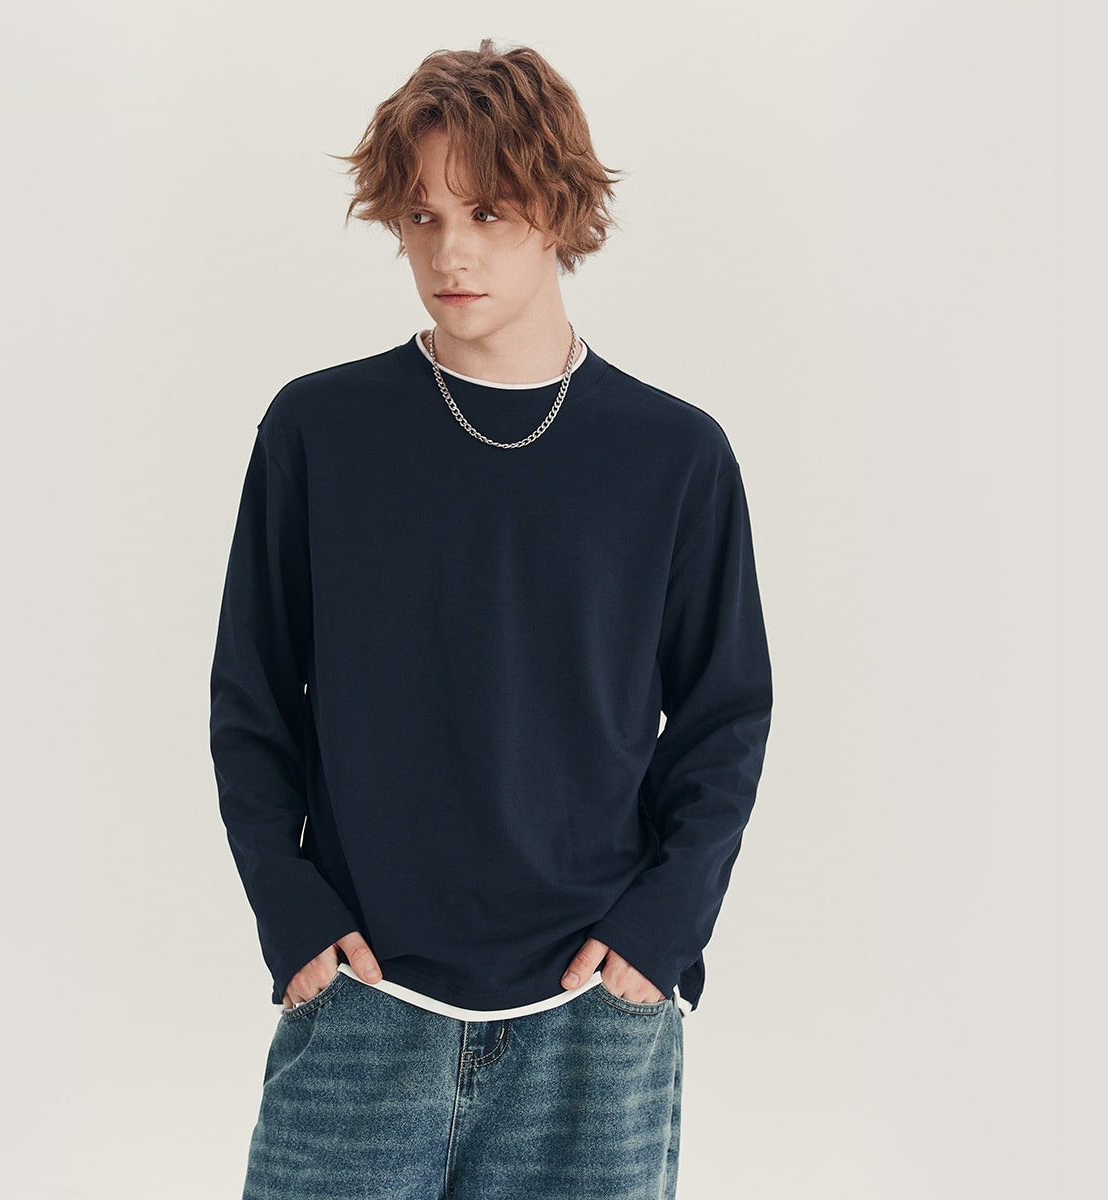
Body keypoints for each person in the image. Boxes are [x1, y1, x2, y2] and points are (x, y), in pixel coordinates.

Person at [209, 36, 773, 1200]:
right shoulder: (320, 433)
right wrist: (292, 913)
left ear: (557, 209)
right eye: (421, 217)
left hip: (591, 1020)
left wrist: (662, 932)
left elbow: (724, 714)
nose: (448, 252)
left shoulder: (674, 456)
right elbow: (252, 696)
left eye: (487, 213)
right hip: (364, 1001)